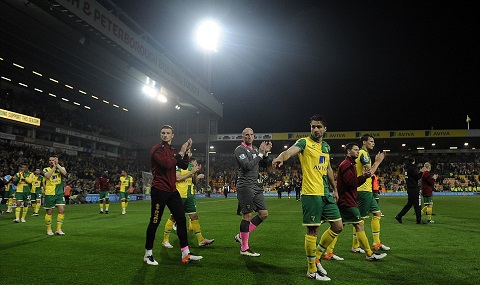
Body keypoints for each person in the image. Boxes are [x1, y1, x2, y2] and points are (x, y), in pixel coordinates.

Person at [272, 114, 343, 282]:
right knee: (313, 230)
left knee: (338, 226)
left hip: (325, 193)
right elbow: (289, 151)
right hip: (311, 193)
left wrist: (335, 189)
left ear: (325, 129)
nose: (315, 129)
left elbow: (328, 169)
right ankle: (311, 270)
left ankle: (317, 258)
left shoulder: (325, 147)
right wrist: (280, 158)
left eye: (319, 126)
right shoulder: (304, 142)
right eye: (313, 127)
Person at [143, 125, 202, 266]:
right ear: (160, 134)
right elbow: (167, 163)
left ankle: (185, 253)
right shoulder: (157, 149)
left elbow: (182, 165)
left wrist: (186, 152)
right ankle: (148, 254)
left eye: (168, 133)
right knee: (155, 221)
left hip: (172, 190)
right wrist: (181, 151)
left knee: (181, 219)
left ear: (172, 135)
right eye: (163, 133)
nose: (165, 135)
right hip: (159, 190)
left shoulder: (173, 151)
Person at [335, 142, 387, 261]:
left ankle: (326, 252)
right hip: (354, 196)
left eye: (358, 150)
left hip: (355, 195)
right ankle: (368, 252)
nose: (357, 152)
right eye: (355, 150)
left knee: (340, 225)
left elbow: (353, 182)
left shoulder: (351, 164)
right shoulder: (351, 162)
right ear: (349, 151)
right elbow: (352, 182)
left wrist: (363, 177)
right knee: (358, 223)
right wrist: (377, 162)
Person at [234, 127, 272, 257]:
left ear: (254, 136)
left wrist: (265, 153)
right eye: (246, 135)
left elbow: (264, 164)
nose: (249, 137)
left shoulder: (255, 149)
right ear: (242, 137)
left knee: (264, 214)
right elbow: (247, 166)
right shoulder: (240, 150)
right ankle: (244, 248)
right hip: (245, 186)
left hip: (255, 185)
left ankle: (241, 236)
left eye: (251, 135)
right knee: (247, 216)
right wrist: (260, 155)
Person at [162, 153, 214, 248]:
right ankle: (165, 240)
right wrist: (191, 172)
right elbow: (177, 178)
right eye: (194, 162)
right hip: (179, 195)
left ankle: (201, 240)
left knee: (194, 216)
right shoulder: (178, 166)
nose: (195, 164)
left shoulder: (191, 168)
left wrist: (195, 173)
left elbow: (194, 182)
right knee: (173, 217)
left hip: (189, 196)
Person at [353, 134, 390, 252]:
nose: (373, 143)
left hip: (368, 190)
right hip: (363, 190)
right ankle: (355, 246)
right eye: (371, 141)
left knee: (377, 214)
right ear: (364, 142)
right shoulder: (363, 153)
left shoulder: (365, 154)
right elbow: (369, 172)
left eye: (374, 141)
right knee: (360, 220)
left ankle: (377, 243)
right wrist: (378, 162)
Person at [395, 157, 426, 224]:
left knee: (409, 204)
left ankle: (399, 216)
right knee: (416, 204)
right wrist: (421, 172)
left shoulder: (407, 168)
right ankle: (418, 220)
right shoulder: (412, 168)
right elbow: (417, 177)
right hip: (413, 188)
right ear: (413, 161)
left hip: (409, 187)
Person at [43, 155, 68, 235]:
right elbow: (47, 176)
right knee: (49, 212)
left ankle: (58, 229)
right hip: (50, 193)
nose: (51, 161)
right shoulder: (45, 169)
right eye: (50, 160)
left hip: (59, 193)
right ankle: (49, 229)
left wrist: (57, 165)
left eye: (53, 160)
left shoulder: (61, 168)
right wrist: (54, 167)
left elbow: (65, 173)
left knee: (62, 210)